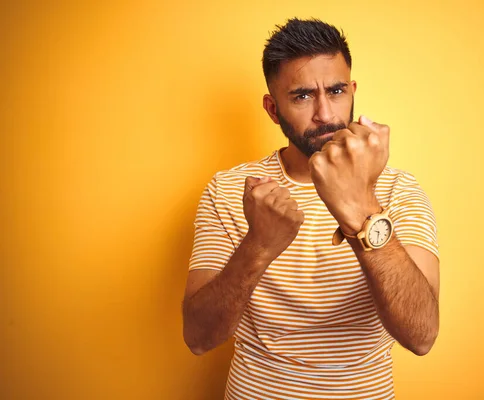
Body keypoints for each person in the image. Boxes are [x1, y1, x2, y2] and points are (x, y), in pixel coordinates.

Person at [182, 17, 440, 400]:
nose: (325, 114)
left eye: (336, 91)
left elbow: (421, 336)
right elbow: (199, 338)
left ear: (352, 91)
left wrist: (361, 207)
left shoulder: (397, 187)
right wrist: (259, 245)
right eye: (302, 96)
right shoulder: (231, 189)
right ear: (272, 109)